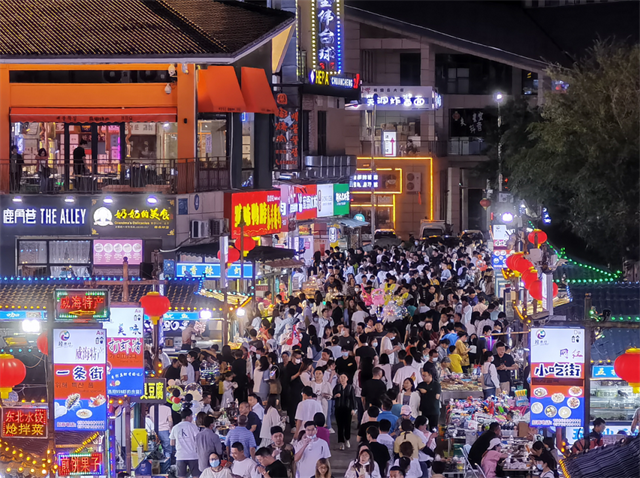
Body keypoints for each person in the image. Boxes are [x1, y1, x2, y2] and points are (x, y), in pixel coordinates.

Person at [169, 408, 201, 478]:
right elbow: (198, 440)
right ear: (187, 417)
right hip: (193, 455)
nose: (192, 418)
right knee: (196, 475)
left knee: (181, 476)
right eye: (191, 416)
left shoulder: (175, 427)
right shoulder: (193, 427)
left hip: (180, 456)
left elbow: (172, 443)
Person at [333, 373, 356, 450]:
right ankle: (341, 442)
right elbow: (332, 396)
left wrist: (353, 409)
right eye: (341, 377)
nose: (342, 379)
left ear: (347, 378)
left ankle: (347, 439)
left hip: (347, 408)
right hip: (338, 408)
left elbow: (353, 398)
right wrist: (335, 396)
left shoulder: (350, 387)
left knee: (347, 425)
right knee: (340, 426)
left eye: (344, 377)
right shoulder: (337, 387)